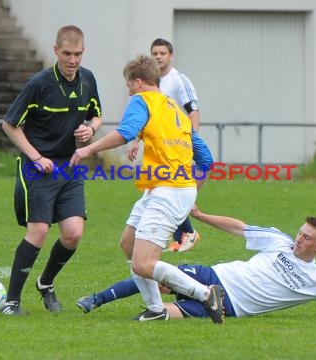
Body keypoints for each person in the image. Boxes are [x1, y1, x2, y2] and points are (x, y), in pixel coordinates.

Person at [70, 55, 224, 324]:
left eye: (128, 84)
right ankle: (155, 308)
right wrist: (190, 190)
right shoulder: (174, 108)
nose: (128, 89)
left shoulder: (141, 101)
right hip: (168, 188)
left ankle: (205, 294)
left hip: (168, 190)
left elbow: (126, 131)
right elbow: (206, 159)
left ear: (139, 82)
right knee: (128, 244)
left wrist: (89, 148)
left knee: (143, 262)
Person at [76, 205, 316, 320]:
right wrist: (203, 216)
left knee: (158, 315)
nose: (299, 239)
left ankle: (144, 314)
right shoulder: (279, 240)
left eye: (307, 238)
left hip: (229, 307)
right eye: (300, 232)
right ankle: (97, 299)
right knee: (151, 271)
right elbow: (239, 228)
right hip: (215, 275)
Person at [0, 25, 103, 316]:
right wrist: (35, 156)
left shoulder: (87, 80)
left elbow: (96, 114)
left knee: (73, 234)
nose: (73, 60)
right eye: (68, 53)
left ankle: (45, 283)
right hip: (40, 168)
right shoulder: (39, 83)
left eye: (78, 54)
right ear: (56, 50)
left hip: (70, 167)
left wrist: (90, 129)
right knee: (39, 232)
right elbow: (10, 124)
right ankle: (11, 302)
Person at [129, 38, 203, 253]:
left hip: (177, 149)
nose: (158, 56)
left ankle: (182, 234)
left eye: (162, 53)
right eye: (155, 53)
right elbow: (150, 117)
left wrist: (190, 143)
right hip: (158, 149)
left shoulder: (179, 80)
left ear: (171, 56)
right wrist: (136, 140)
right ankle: (180, 235)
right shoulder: (151, 82)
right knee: (159, 192)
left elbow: (193, 111)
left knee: (163, 192)